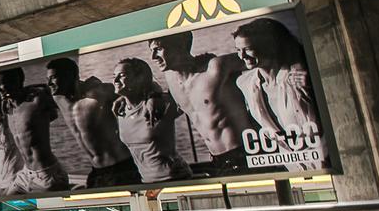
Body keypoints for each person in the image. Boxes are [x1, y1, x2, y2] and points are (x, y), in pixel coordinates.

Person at [148, 32, 257, 174]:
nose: (153, 57)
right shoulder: (171, 77)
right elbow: (186, 100)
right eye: (151, 51)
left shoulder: (215, 67)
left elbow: (260, 57)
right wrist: (154, 96)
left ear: (180, 46)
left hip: (243, 153)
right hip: (216, 159)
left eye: (158, 49)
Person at [233, 18, 322, 171]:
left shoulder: (298, 77)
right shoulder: (245, 83)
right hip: (292, 165)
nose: (242, 56)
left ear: (267, 47)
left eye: (248, 49)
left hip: (322, 157)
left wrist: (313, 83)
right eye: (238, 50)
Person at [46, 58, 138, 187]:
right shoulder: (57, 97)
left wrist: (125, 98)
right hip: (96, 171)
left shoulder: (98, 93)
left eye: (54, 78)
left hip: (121, 168)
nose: (49, 83)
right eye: (48, 79)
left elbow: (139, 88)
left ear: (70, 76)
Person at [111, 58, 192, 184]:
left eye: (122, 76)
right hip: (146, 181)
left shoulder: (160, 105)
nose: (115, 81)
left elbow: (184, 89)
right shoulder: (120, 110)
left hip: (175, 178)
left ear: (139, 79)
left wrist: (154, 94)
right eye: (114, 76)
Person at [0, 68, 69, 193]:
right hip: (25, 174)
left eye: (1, 84)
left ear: (15, 82)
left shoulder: (38, 100)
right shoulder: (7, 107)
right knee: (5, 204)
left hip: (46, 175)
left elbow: (62, 96)